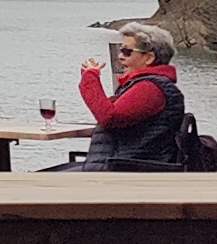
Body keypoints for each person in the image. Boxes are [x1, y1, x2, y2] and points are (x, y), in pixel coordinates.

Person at [73, 22, 189, 170]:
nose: (120, 56)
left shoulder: (150, 88)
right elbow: (108, 109)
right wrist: (90, 78)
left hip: (128, 169)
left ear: (149, 58)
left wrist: (90, 78)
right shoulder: (147, 85)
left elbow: (109, 117)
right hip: (126, 165)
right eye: (121, 50)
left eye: (127, 52)